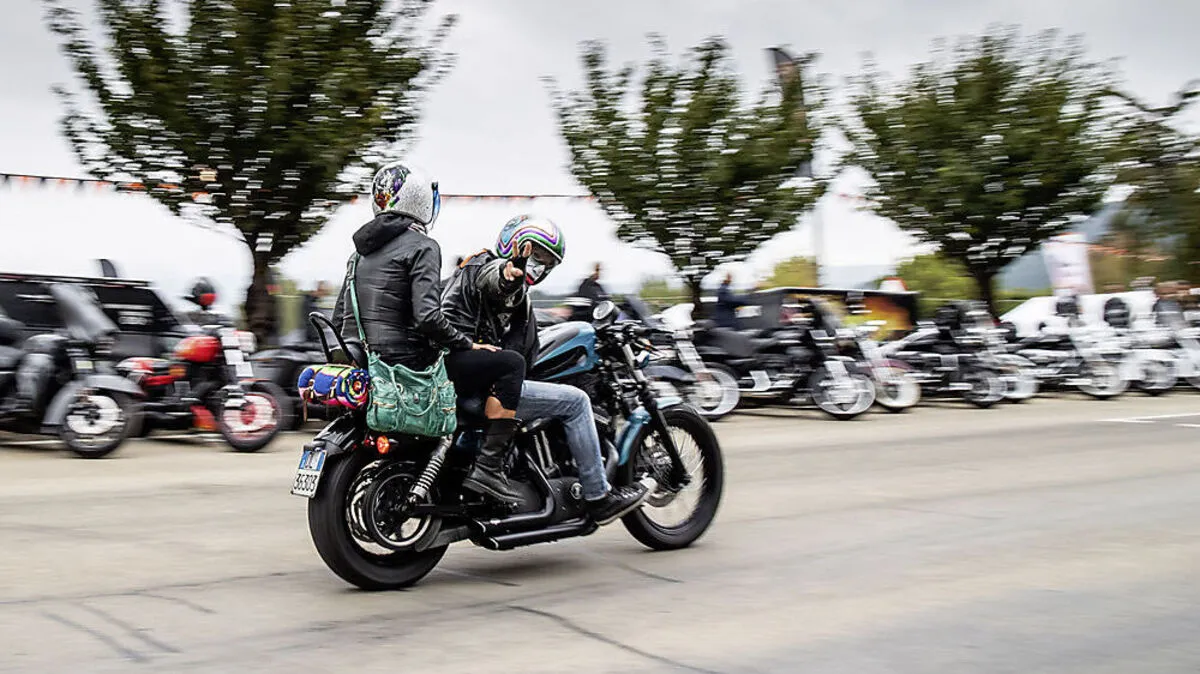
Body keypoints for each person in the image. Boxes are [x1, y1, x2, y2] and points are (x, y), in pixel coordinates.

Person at [330, 161, 527, 503]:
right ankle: (489, 469)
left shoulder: (357, 255)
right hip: (411, 364)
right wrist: (469, 343)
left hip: (371, 361)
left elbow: (341, 318)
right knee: (510, 363)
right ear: (419, 201)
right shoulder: (423, 246)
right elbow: (427, 318)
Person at [442, 215, 651, 525]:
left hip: (463, 371)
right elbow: (496, 281)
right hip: (473, 376)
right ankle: (598, 496)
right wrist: (509, 274)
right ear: (512, 245)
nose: (538, 265)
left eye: (547, 262)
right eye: (535, 255)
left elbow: (509, 314)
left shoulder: (510, 295)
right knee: (576, 401)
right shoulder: (487, 267)